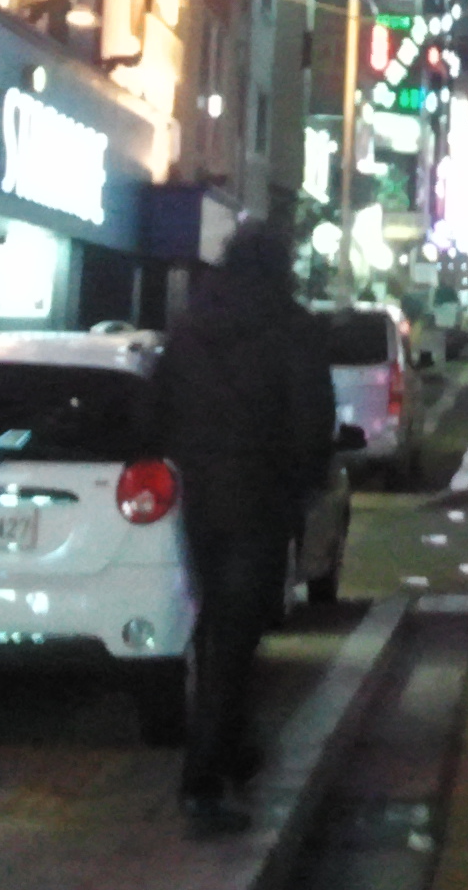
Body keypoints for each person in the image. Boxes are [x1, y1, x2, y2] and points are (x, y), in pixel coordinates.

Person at [151, 221, 335, 836]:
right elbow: (313, 421)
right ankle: (204, 782)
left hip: (200, 495)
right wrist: (303, 484)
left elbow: (158, 407)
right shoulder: (292, 327)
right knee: (236, 633)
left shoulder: (190, 324)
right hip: (261, 496)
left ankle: (230, 752)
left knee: (219, 627)